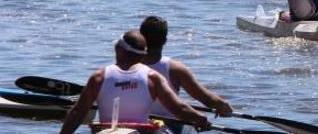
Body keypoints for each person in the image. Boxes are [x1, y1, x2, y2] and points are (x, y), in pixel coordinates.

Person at [58, 30, 210, 134]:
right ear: (143, 55)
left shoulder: (99, 77)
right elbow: (179, 108)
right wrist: (200, 119)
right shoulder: (153, 78)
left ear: (120, 50)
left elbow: (78, 112)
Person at [139, 16, 232, 134]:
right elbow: (205, 98)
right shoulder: (175, 69)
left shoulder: (127, 65)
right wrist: (222, 106)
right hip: (167, 125)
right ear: (165, 40)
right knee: (192, 127)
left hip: (135, 123)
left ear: (141, 38)